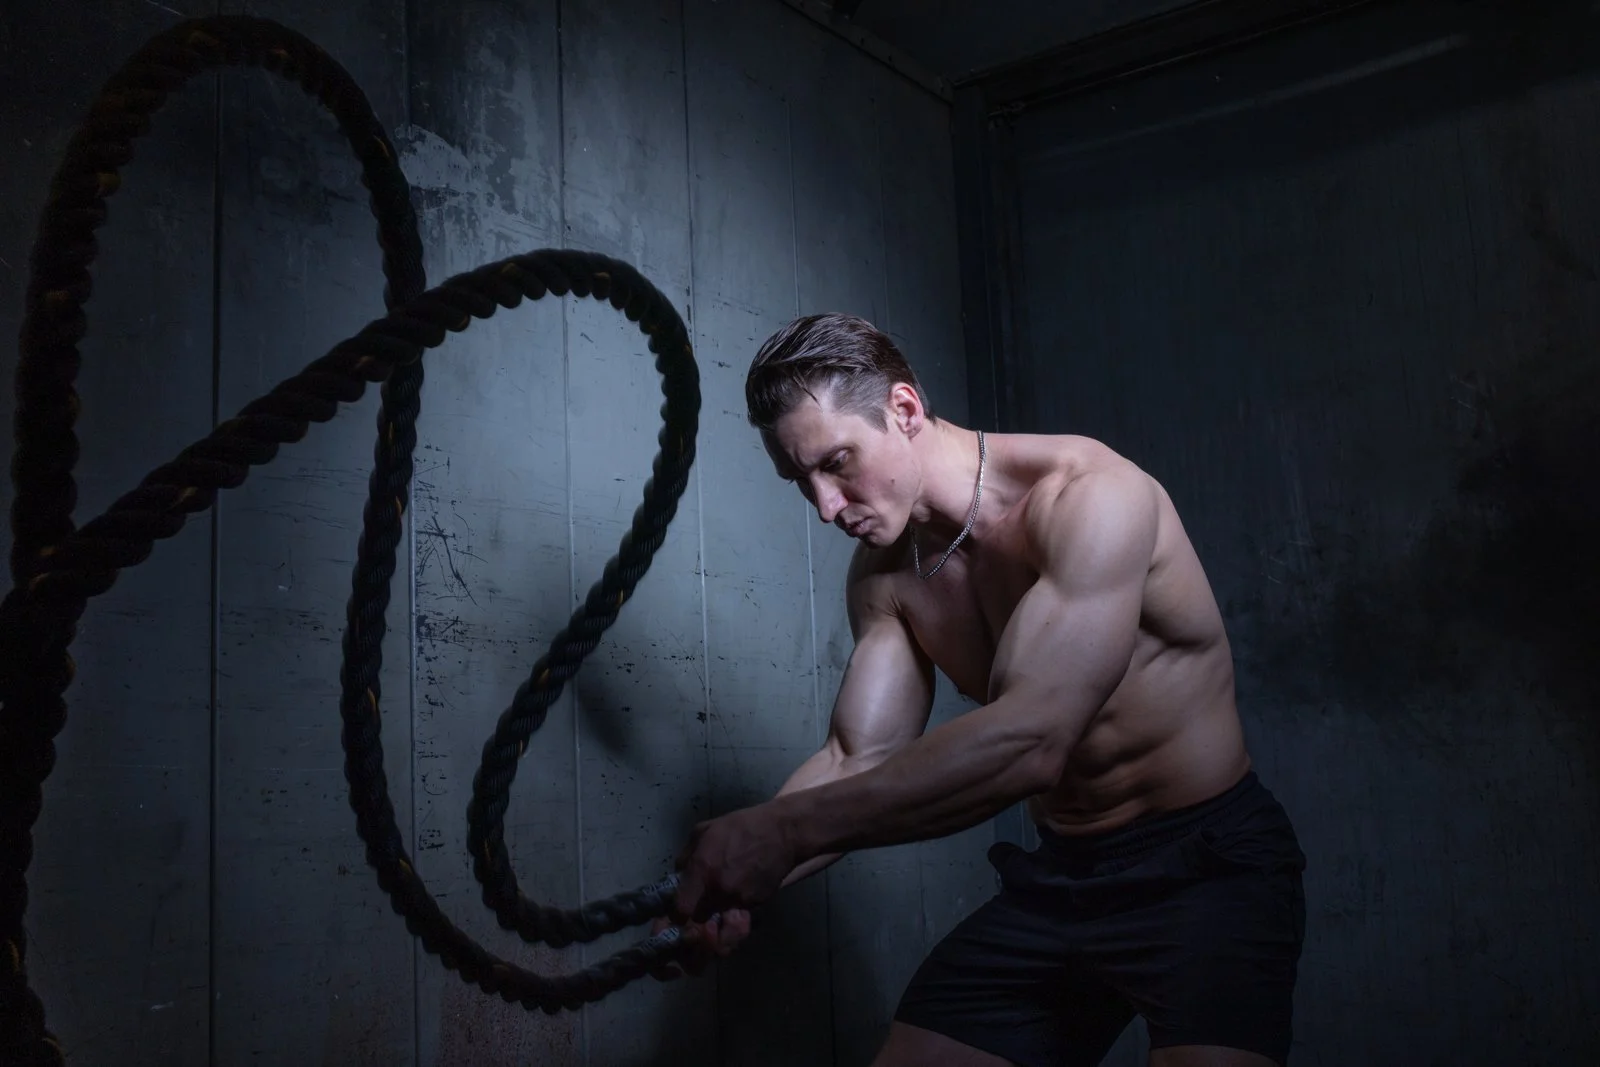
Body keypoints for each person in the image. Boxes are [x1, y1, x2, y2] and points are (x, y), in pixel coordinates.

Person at [666, 313, 1307, 1067]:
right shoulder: (885, 577)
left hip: (1206, 869)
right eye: (800, 480)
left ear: (904, 410)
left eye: (838, 462)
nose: (826, 506)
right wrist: (736, 881)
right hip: (1064, 877)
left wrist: (781, 836)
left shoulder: (1091, 499)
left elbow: (1034, 738)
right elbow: (854, 756)